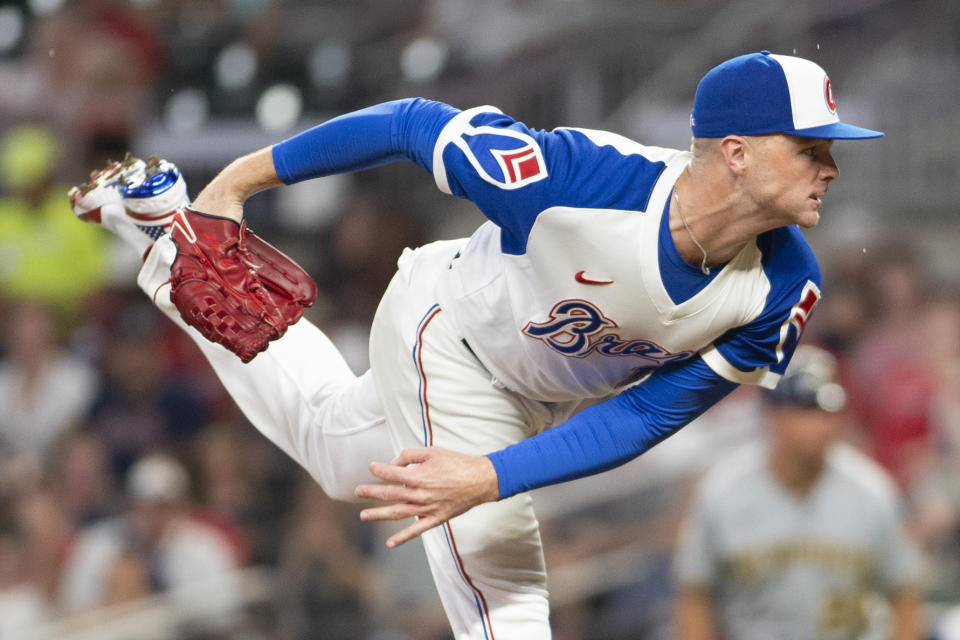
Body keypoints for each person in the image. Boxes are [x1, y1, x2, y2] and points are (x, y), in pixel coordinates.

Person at [71, 51, 883, 639]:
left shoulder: (784, 287)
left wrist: (492, 472)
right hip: (448, 329)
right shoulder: (585, 179)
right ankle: (188, 221)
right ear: (736, 154)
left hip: (531, 391)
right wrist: (239, 183)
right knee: (505, 591)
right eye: (811, 147)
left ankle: (163, 237)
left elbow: (647, 417)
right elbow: (411, 123)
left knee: (333, 451)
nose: (830, 166)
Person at [672, 345, 923, 640]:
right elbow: (695, 593)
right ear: (772, 415)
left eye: (826, 411)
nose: (821, 425)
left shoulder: (872, 491)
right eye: (806, 411)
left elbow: (904, 593)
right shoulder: (723, 491)